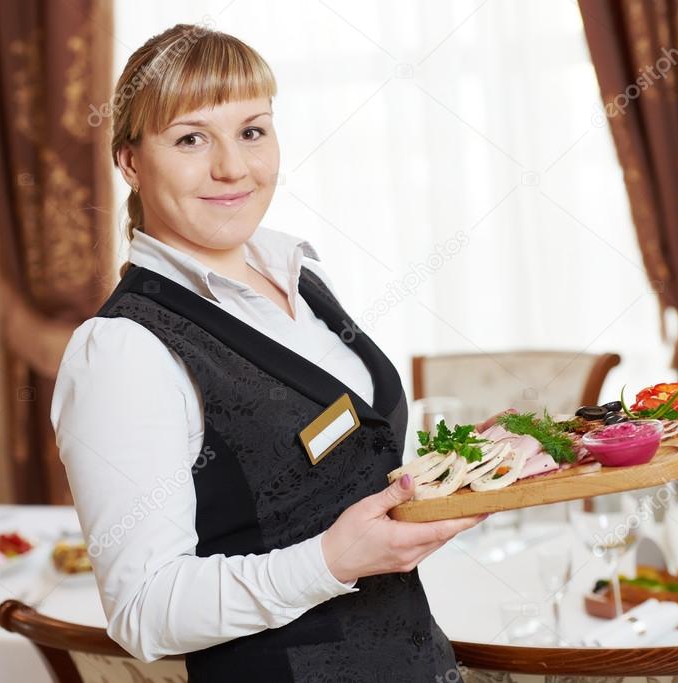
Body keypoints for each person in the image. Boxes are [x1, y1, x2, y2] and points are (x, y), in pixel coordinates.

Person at [51, 23, 488, 682]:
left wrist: (470, 470)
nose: (233, 166)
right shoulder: (122, 350)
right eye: (191, 138)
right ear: (130, 162)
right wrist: (330, 560)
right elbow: (142, 611)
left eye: (251, 131)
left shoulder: (300, 279)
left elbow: (336, 480)